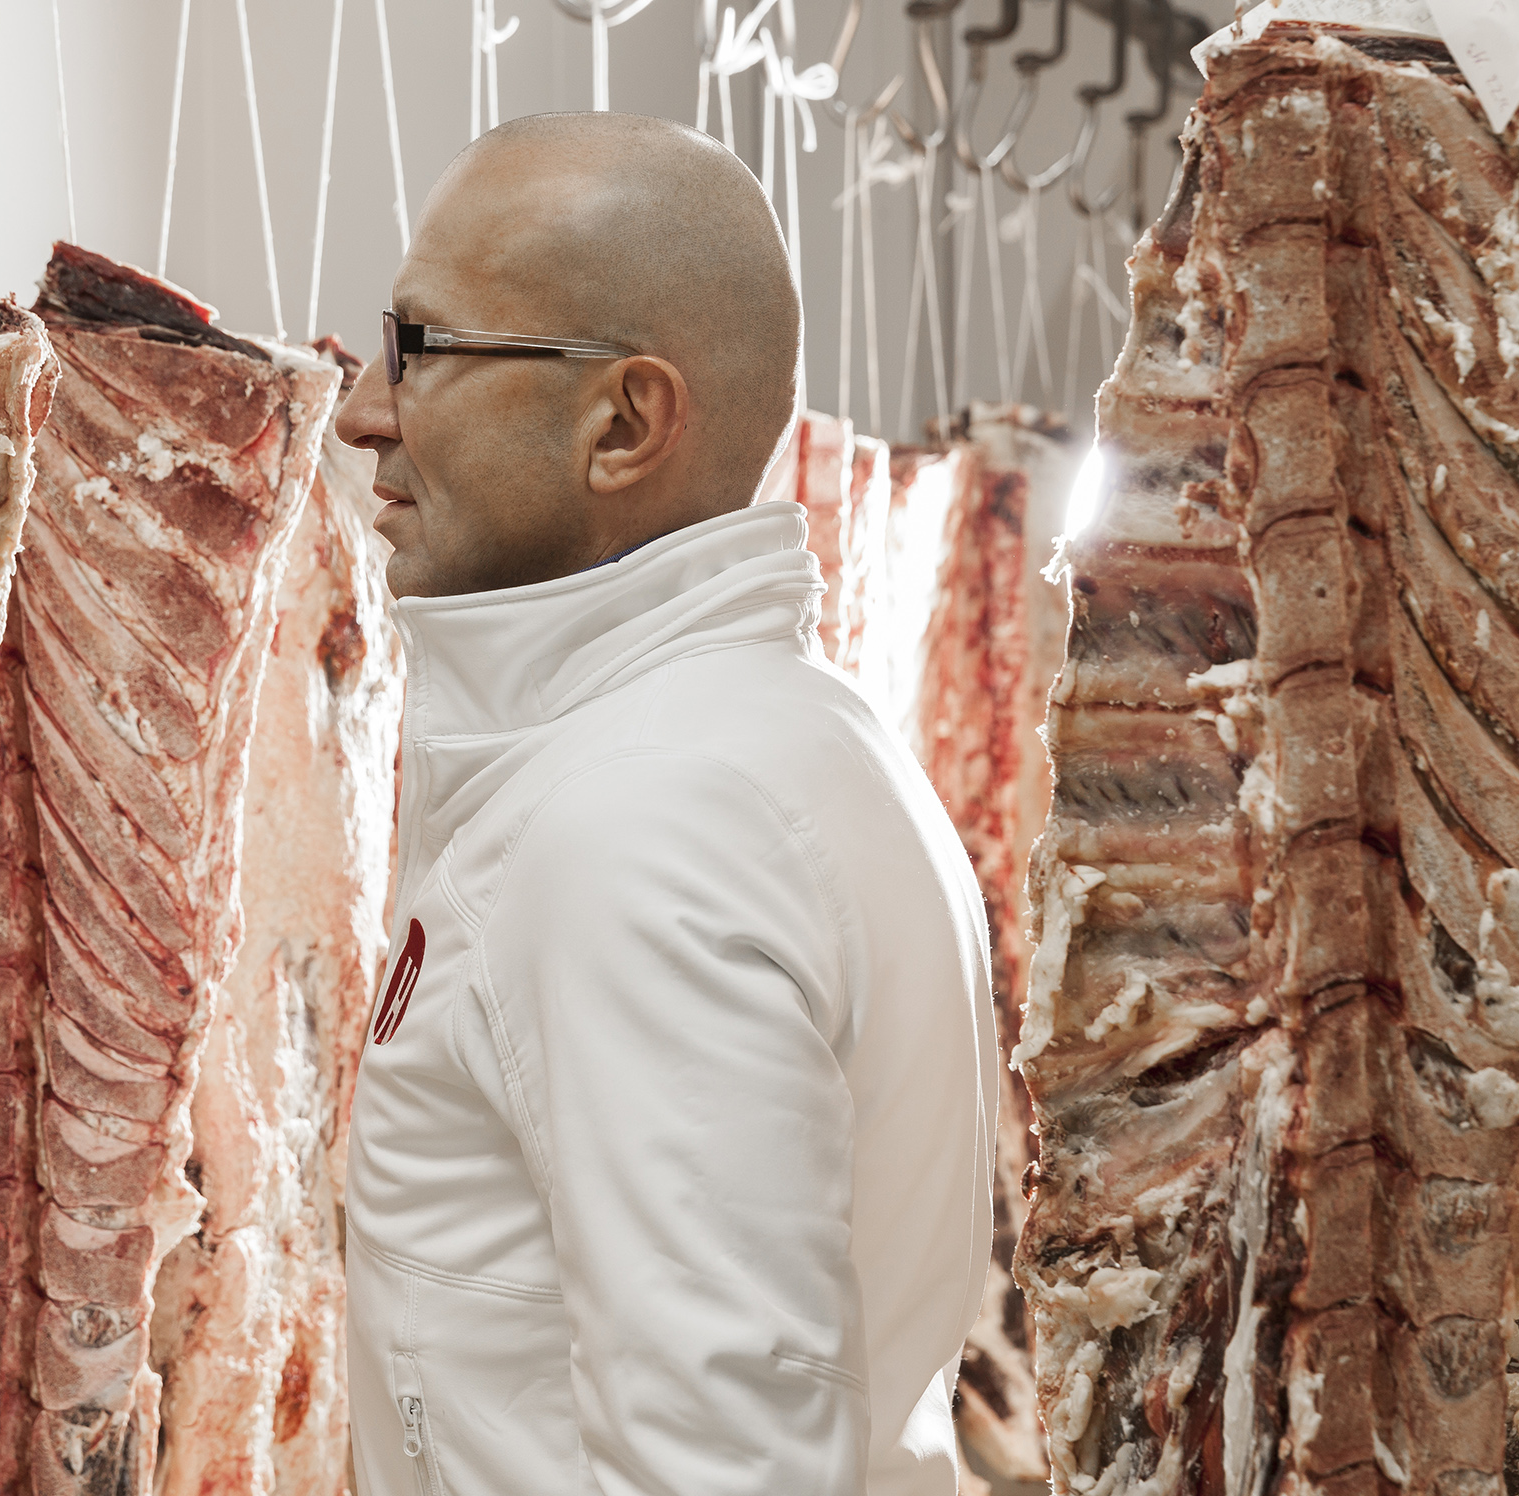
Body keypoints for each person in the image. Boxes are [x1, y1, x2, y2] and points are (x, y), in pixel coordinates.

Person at [334, 110, 995, 1496]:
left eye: (424, 348)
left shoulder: (639, 827)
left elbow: (726, 1464)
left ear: (624, 423)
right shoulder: (787, 741)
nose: (362, 413)